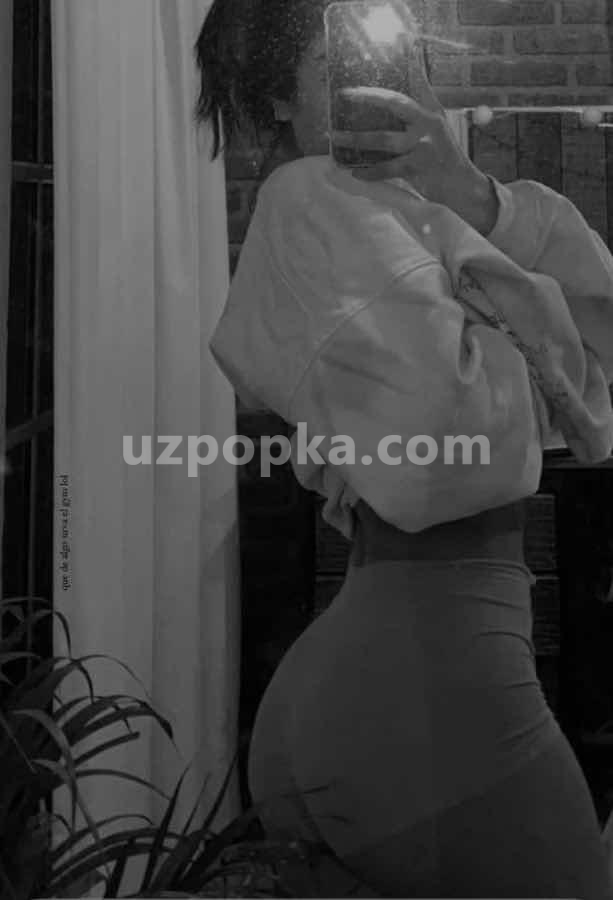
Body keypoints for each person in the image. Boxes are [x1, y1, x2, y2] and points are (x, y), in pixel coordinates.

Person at [195, 1, 613, 896]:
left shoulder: (410, 211)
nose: (385, 79)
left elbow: (596, 351)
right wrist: (541, 351)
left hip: (401, 678)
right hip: (432, 687)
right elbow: (444, 453)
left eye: (397, 54)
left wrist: (470, 193)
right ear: (277, 97)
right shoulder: (316, 197)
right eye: (337, 63)